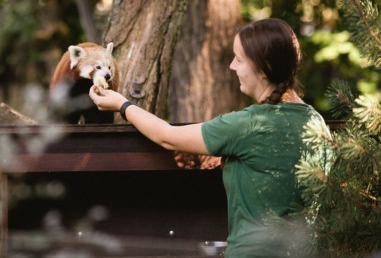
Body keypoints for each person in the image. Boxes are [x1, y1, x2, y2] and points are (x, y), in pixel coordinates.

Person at [89, 18, 329, 257]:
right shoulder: (317, 123)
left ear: (263, 66)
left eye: (239, 59)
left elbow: (167, 136)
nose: (232, 66)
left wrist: (122, 104)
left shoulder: (249, 125)